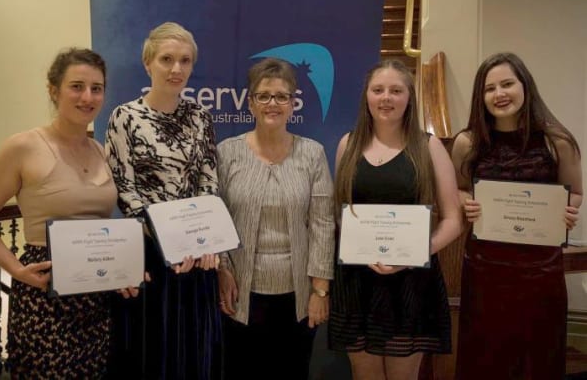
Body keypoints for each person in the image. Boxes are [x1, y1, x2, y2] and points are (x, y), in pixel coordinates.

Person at [0, 48, 119, 377]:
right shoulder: (23, 147)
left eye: (97, 88)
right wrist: (17, 271)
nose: (87, 96)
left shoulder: (101, 151)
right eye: (76, 86)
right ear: (54, 90)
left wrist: (124, 272)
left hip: (96, 301)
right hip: (43, 297)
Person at [451, 52, 582, 379]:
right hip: (485, 270)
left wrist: (568, 210)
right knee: (485, 355)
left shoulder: (557, 141)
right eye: (489, 88)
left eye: (507, 84)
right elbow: (459, 188)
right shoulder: (467, 142)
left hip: (539, 270)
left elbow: (576, 192)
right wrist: (466, 202)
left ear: (525, 86)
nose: (499, 94)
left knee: (538, 356)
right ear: (480, 97)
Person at [328, 59, 462, 380]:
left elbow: (453, 219)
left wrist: (412, 255)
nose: (386, 97)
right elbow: (340, 213)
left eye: (396, 90)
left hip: (410, 282)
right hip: (357, 280)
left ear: (409, 98)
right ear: (367, 97)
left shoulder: (428, 146)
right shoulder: (348, 144)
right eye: (378, 90)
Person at [105, 22, 221, 380]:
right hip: (150, 255)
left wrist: (202, 239)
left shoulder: (200, 117)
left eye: (185, 61)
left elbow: (208, 179)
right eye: (167, 59)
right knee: (151, 350)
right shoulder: (124, 117)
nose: (176, 69)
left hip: (196, 255)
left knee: (193, 350)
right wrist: (168, 242)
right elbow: (125, 190)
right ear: (147, 63)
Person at [216, 58, 335, 379]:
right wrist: (222, 272)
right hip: (239, 294)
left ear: (293, 103)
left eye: (282, 96)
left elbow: (324, 224)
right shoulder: (226, 153)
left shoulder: (312, 154)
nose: (273, 103)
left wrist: (320, 292)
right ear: (250, 103)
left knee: (292, 372)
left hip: (297, 296)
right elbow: (216, 222)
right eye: (264, 96)